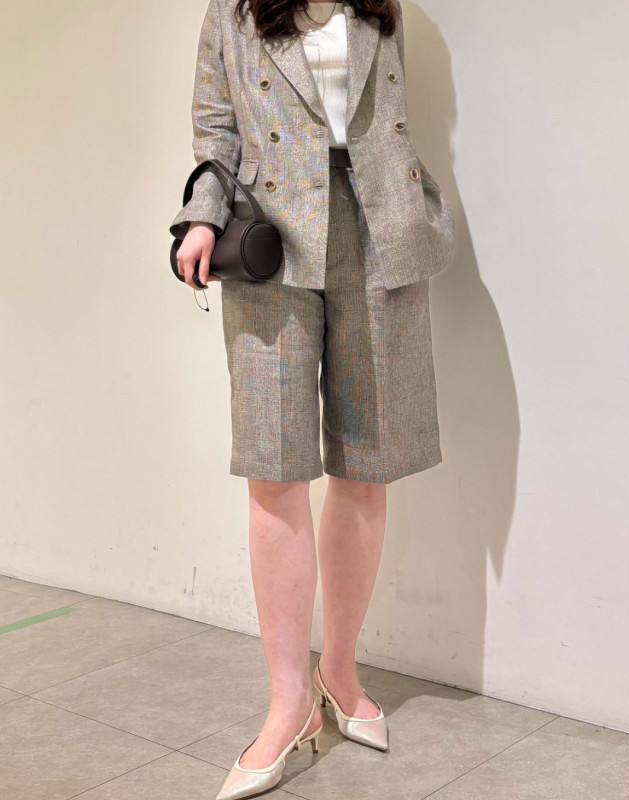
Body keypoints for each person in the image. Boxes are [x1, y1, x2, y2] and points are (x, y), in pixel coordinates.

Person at [169, 0, 455, 797]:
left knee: (366, 466)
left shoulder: (382, 9)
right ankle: (287, 701)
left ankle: (340, 671)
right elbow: (215, 129)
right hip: (270, 237)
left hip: (380, 235)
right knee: (275, 467)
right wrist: (202, 218)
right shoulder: (233, 12)